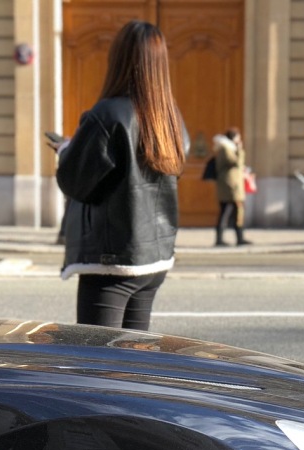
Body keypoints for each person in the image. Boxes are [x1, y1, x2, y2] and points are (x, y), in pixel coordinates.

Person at [54, 20, 185, 331]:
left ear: (119, 59)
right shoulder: (170, 118)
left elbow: (74, 182)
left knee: (98, 363)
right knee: (132, 360)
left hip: (113, 260)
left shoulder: (107, 114)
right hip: (154, 257)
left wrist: (65, 151)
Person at [212, 128, 250, 246]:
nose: (239, 140)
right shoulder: (227, 148)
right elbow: (237, 162)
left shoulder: (226, 148)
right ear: (234, 138)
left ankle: (239, 237)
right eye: (238, 137)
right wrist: (240, 150)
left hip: (231, 185)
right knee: (231, 211)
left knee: (233, 212)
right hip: (231, 186)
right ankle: (225, 239)